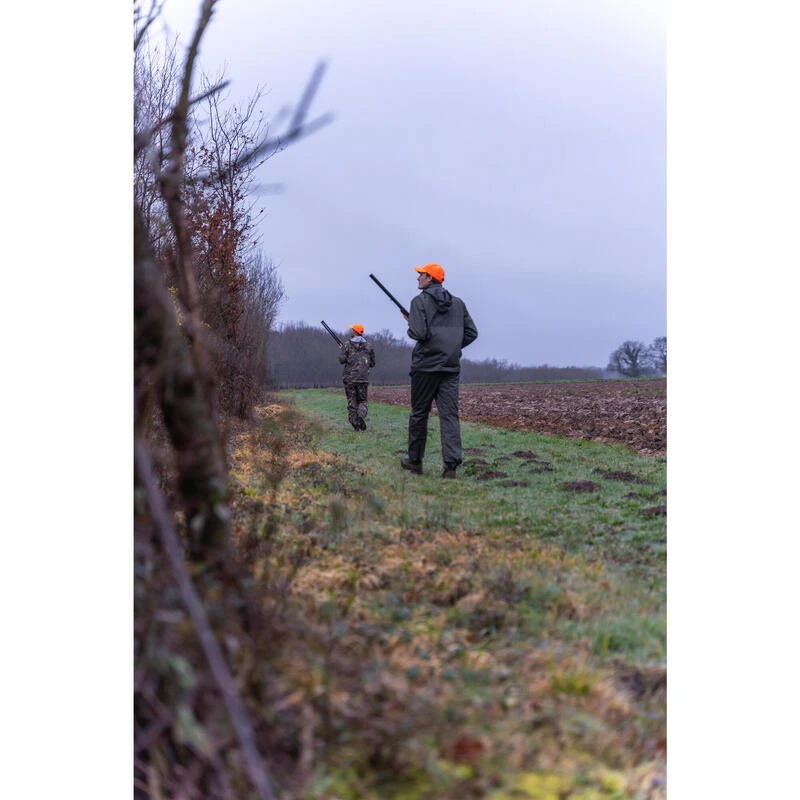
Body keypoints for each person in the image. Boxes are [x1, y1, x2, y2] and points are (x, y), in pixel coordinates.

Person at [400, 263, 478, 478]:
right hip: (450, 368)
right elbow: (471, 333)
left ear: (430, 279)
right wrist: (450, 348)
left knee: (419, 414)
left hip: (425, 367)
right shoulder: (458, 303)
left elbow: (419, 332)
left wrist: (411, 322)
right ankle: (450, 467)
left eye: (421, 275)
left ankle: (415, 462)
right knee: (449, 416)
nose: (418, 279)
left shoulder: (419, 301)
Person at [338, 323, 376, 431]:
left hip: (349, 379)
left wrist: (343, 351)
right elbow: (373, 363)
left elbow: (341, 360)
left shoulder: (347, 345)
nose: (351, 332)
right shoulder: (369, 346)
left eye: (352, 330)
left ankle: (356, 424)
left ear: (355, 332)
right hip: (363, 379)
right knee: (363, 401)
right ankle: (361, 416)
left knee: (352, 402)